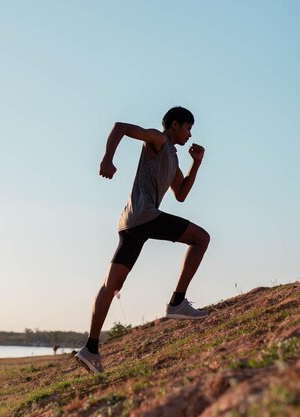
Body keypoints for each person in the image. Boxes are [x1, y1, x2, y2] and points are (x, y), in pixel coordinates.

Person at [75, 106, 210, 373]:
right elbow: (121, 127)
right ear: (174, 125)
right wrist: (107, 159)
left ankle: (90, 349)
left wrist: (196, 164)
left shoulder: (172, 158)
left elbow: (180, 194)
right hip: (145, 215)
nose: (189, 134)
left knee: (111, 286)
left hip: (131, 223)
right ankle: (177, 302)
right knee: (201, 238)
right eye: (187, 128)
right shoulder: (159, 140)